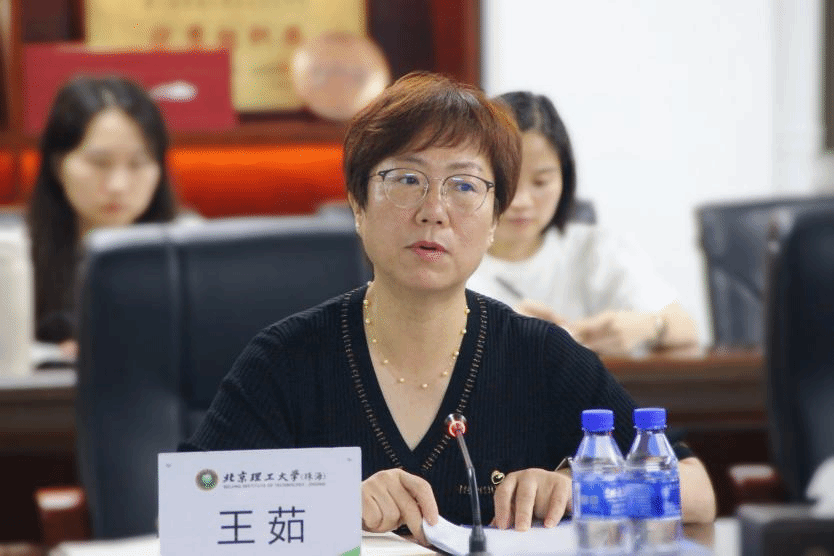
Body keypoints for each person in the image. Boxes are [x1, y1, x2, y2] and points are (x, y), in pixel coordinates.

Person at [183, 72, 716, 545]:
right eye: (406, 180)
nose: (434, 211)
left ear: (493, 221)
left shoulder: (541, 356)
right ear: (358, 205)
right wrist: (333, 504)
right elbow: (189, 509)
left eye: (464, 186)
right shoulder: (287, 359)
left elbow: (697, 492)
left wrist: (581, 488)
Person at [467, 92, 699, 356]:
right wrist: (499, 329)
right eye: (507, 181)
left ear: (565, 179)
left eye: (541, 182)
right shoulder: (452, 259)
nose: (521, 201)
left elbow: (686, 328)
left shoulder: (596, 249)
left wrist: (649, 326)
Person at [27, 75, 181, 352]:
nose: (118, 186)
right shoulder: (14, 258)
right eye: (99, 163)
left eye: (138, 163)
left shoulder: (190, 252)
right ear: (57, 165)